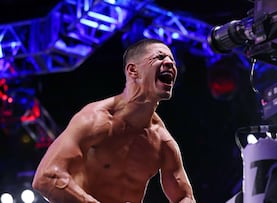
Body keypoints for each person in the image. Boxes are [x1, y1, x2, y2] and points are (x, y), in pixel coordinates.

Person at [32, 38, 196, 203]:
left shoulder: (162, 142)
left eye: (172, 60)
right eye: (160, 57)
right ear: (133, 71)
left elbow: (184, 197)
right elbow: (46, 177)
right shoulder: (95, 120)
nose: (170, 63)